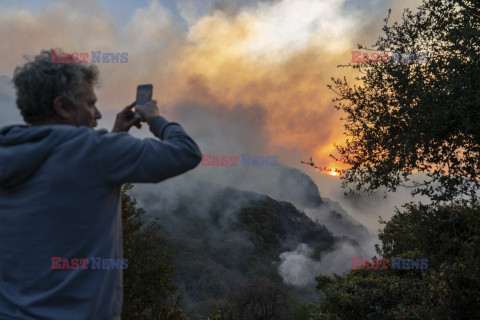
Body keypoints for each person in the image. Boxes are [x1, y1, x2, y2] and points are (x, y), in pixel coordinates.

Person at [0, 49, 202, 319]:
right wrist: (155, 118)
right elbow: (186, 152)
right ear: (61, 106)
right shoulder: (97, 153)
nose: (96, 114)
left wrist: (114, 136)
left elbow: (69, 177)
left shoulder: (8, 150)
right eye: (89, 103)